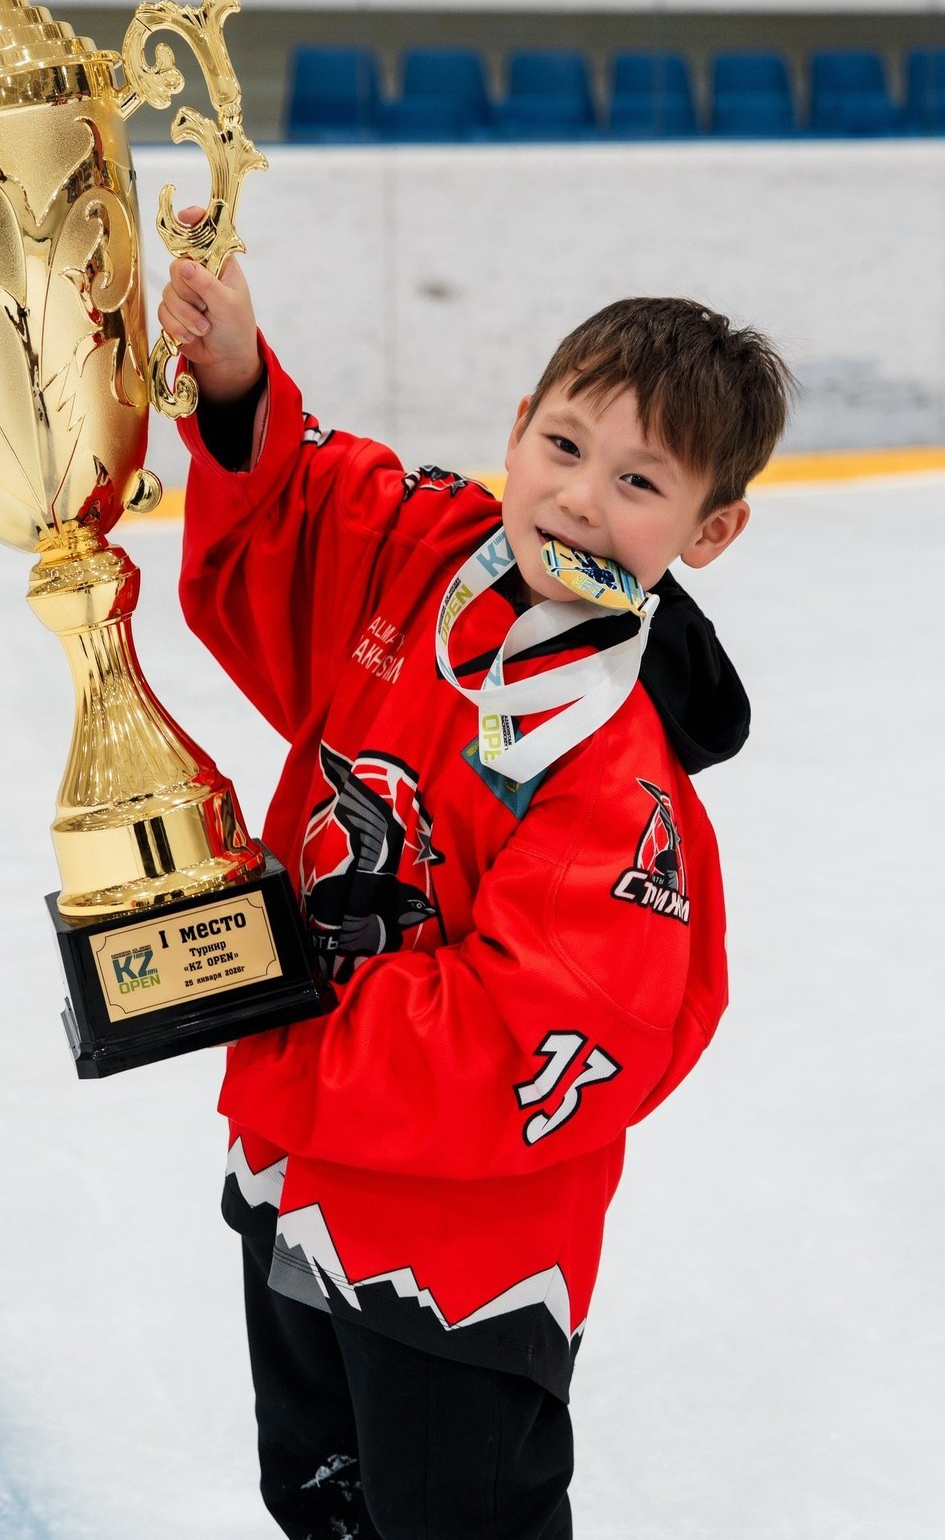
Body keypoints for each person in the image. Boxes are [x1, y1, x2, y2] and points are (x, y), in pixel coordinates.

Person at [159, 232, 793, 1540]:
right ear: (516, 429)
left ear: (710, 529)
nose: (575, 500)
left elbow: (537, 1033)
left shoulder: (624, 783)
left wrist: (270, 1000)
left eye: (638, 482)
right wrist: (231, 386)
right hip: (295, 1175)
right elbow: (303, 514)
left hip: (461, 1263)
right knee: (314, 1490)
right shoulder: (431, 546)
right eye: (562, 447)